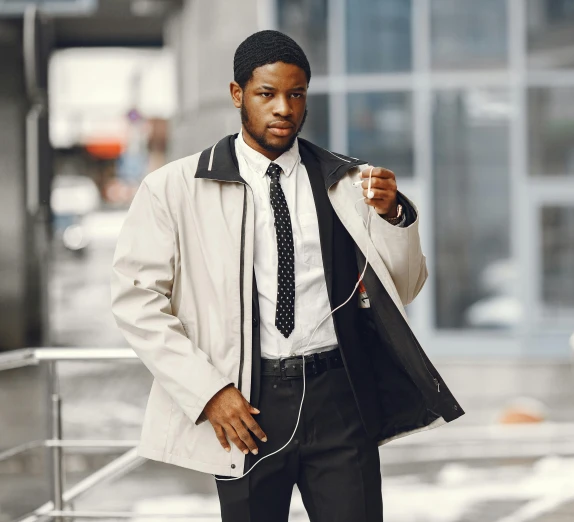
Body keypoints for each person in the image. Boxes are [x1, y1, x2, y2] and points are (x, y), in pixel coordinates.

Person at [110, 29, 464, 521]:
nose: (283, 108)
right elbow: (136, 301)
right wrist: (209, 391)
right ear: (238, 95)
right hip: (247, 405)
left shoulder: (346, 181)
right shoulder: (174, 189)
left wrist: (393, 220)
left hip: (339, 396)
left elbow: (403, 288)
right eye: (267, 94)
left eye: (295, 94)